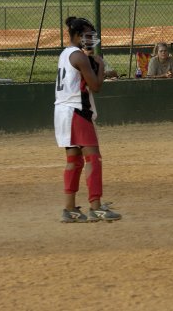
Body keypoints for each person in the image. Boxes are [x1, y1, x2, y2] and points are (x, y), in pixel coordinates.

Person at [54, 16, 121, 223]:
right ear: (76, 35)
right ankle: (96, 207)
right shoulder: (79, 57)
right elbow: (96, 86)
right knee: (93, 158)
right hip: (77, 111)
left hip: (62, 111)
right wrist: (100, 65)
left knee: (74, 161)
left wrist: (93, 62)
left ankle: (70, 209)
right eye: (87, 35)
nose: (90, 39)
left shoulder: (66, 54)